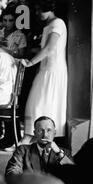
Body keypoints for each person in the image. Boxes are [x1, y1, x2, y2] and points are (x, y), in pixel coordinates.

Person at [21, 0, 67, 144]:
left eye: (39, 10)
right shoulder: (49, 25)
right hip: (44, 70)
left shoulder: (57, 23)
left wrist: (30, 63)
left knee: (43, 104)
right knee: (35, 104)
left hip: (53, 71)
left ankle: (35, 139)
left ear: (48, 9)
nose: (37, 13)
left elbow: (49, 49)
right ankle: (31, 137)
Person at [6, 116, 73, 176]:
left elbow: (74, 174)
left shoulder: (65, 153)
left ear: (55, 133)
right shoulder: (23, 150)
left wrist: (59, 153)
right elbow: (11, 171)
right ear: (34, 133)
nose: (45, 135)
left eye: (49, 130)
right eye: (40, 130)